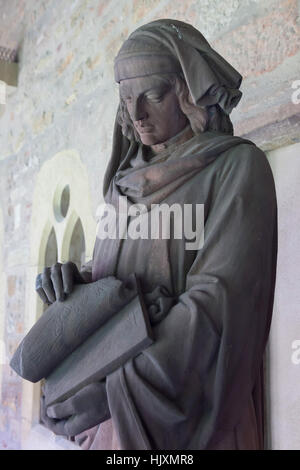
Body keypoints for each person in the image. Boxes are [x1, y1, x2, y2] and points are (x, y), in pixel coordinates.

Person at [37, 19, 277, 450]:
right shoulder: (123, 181)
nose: (136, 114)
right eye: (126, 98)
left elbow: (217, 307)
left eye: (151, 94)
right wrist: (77, 284)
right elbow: (122, 273)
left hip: (182, 419)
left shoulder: (236, 169)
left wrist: (110, 389)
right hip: (107, 426)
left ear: (186, 90)